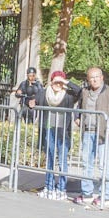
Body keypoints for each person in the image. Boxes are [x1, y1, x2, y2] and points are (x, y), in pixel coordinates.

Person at [75, 67, 109, 208]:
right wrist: (77, 117)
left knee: (104, 165)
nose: (94, 80)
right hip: (88, 131)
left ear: (102, 77)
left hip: (103, 133)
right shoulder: (84, 92)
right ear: (88, 79)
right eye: (91, 77)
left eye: (97, 77)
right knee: (86, 163)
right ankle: (87, 193)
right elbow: (79, 107)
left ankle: (105, 195)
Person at [37, 70, 79, 200]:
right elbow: (33, 100)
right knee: (49, 158)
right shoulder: (44, 93)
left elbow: (80, 91)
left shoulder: (68, 95)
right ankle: (48, 187)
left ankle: (61, 188)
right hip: (49, 128)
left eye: (60, 82)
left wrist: (65, 82)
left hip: (63, 130)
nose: (58, 84)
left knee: (62, 160)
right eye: (56, 81)